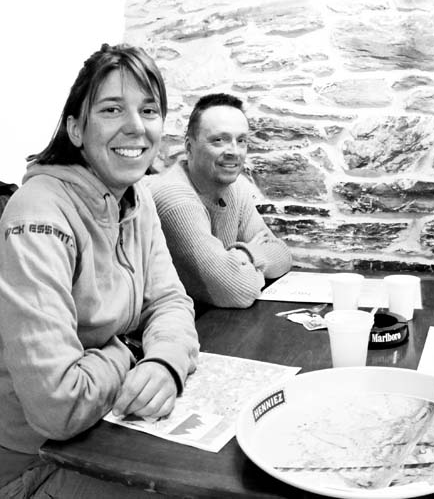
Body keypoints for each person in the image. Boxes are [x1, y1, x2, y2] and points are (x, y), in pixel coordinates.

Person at [0, 44, 199, 497]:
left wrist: (166, 362)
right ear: (76, 128)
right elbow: (58, 406)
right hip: (32, 462)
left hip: (106, 431)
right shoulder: (37, 213)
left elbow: (169, 301)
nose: (136, 126)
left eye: (149, 110)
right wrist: (130, 350)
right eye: (111, 109)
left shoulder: (139, 196)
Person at [146, 93, 292, 309]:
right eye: (218, 140)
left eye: (241, 140)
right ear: (189, 147)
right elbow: (237, 291)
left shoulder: (235, 188)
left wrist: (243, 256)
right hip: (177, 323)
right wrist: (245, 264)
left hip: (214, 317)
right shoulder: (174, 197)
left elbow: (282, 255)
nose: (234, 151)